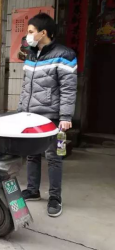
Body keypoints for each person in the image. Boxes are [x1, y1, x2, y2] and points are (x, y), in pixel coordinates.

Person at [18, 13, 77, 217]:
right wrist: (21, 111)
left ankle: (54, 197)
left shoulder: (64, 55)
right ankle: (33, 190)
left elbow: (68, 89)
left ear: (43, 32)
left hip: (52, 116)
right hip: (30, 115)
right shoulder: (32, 54)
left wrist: (66, 117)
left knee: (54, 157)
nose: (28, 35)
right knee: (32, 154)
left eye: (31, 31)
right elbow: (27, 87)